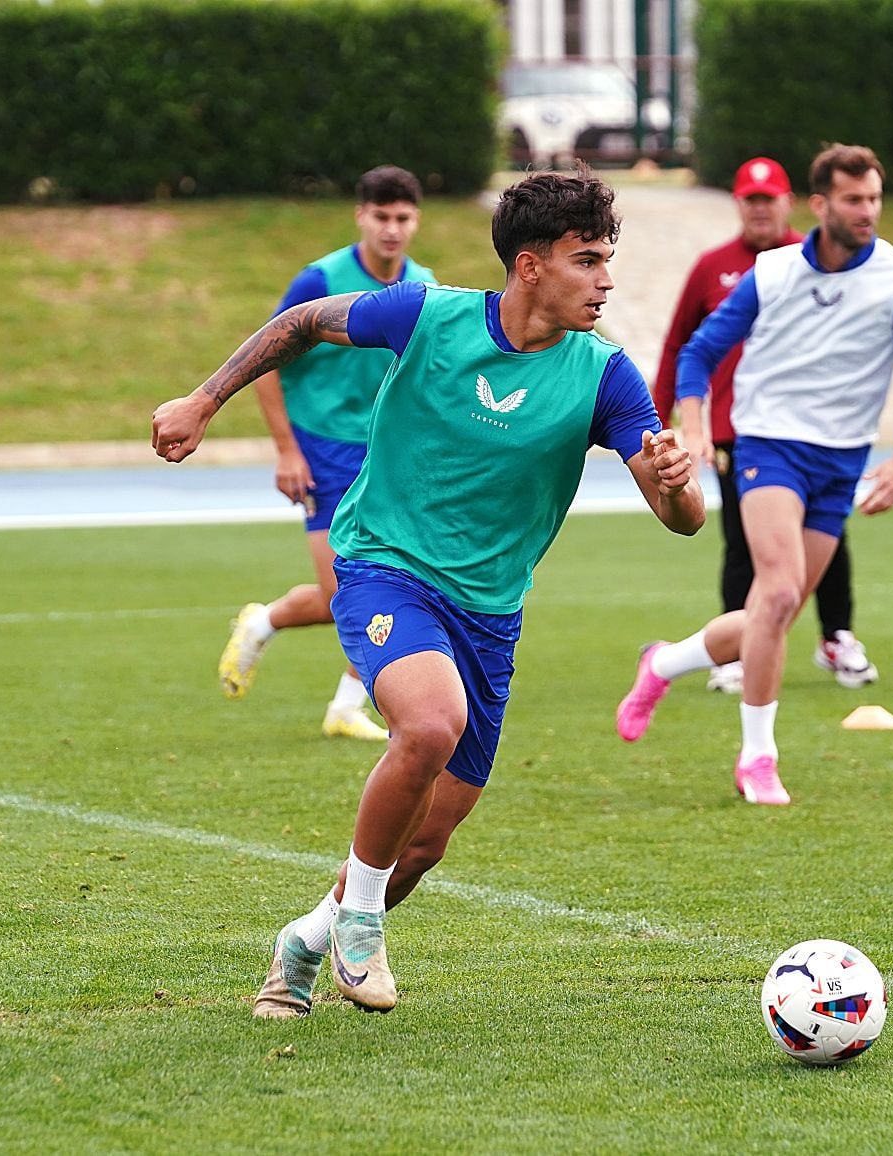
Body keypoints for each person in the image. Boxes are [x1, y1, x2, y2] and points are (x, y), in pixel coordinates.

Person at [151, 167, 703, 1016]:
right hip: (384, 566)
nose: (606, 279)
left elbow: (684, 521)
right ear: (530, 266)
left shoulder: (604, 376)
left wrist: (674, 482)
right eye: (587, 259)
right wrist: (202, 397)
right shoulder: (427, 314)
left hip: (489, 613)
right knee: (430, 721)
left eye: (607, 259)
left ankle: (305, 939)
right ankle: (362, 926)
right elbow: (302, 321)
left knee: (426, 842)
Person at [614, 144, 893, 806]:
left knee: (775, 612)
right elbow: (698, 352)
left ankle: (663, 663)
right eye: (854, 200)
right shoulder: (770, 274)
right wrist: (695, 426)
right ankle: (758, 759)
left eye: (874, 199)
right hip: (768, 446)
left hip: (843, 460)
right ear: (821, 205)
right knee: (774, 597)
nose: (868, 211)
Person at [218, 165, 436, 742]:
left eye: (403, 218)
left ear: (416, 221)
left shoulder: (424, 285)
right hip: (323, 448)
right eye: (382, 217)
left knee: (399, 583)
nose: (392, 229)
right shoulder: (320, 280)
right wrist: (288, 451)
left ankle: (341, 703)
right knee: (348, 596)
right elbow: (265, 362)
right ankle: (265, 623)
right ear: (361, 216)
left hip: (385, 454)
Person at [653, 155, 876, 696]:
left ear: (789, 202)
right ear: (738, 205)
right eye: (750, 201)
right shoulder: (713, 267)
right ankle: (732, 649)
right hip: (737, 427)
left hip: (814, 425)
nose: (759, 210)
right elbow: (682, 342)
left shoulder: (824, 259)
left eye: (769, 200)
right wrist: (663, 418)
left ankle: (836, 635)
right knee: (742, 539)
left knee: (828, 535)